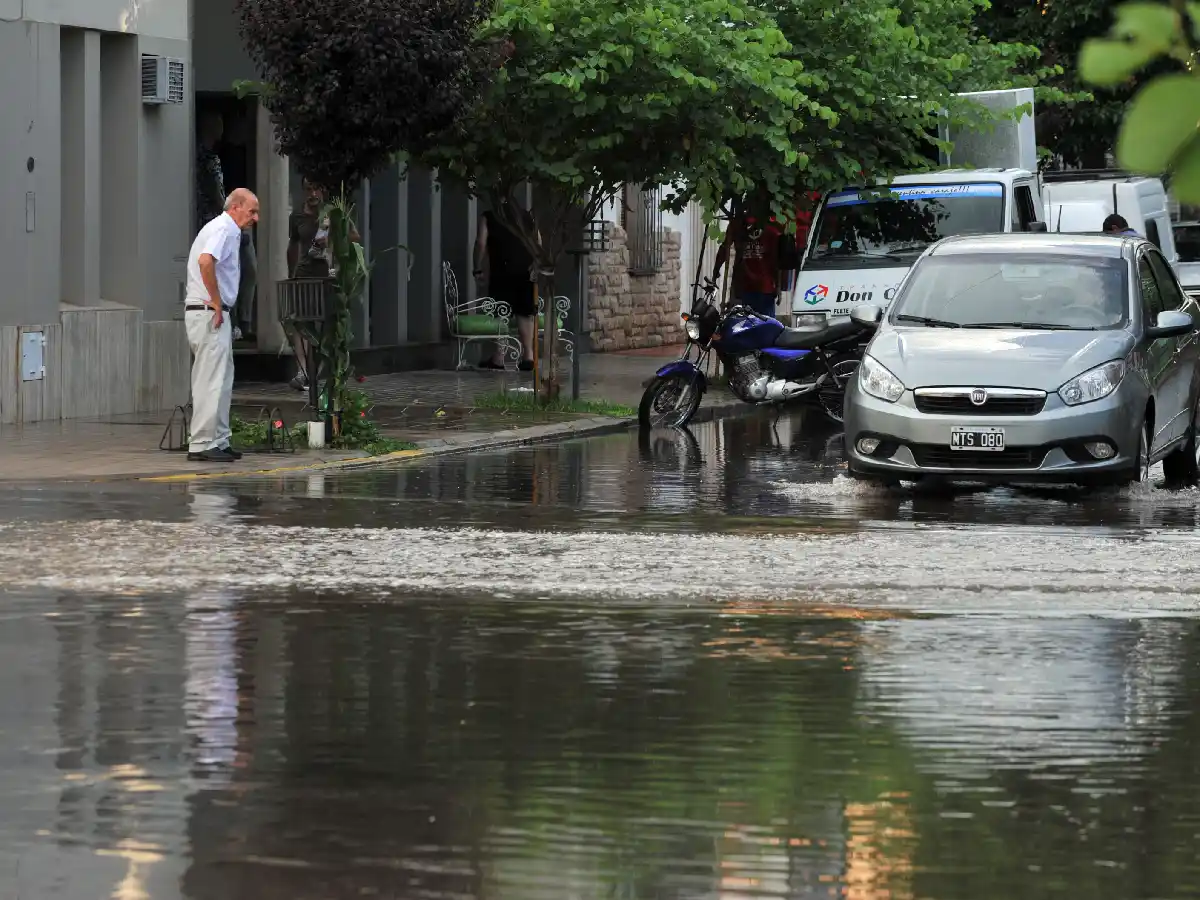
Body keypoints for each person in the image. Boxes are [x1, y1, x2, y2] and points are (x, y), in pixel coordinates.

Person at [184, 188, 260, 463]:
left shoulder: (225, 229)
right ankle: (204, 442)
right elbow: (206, 261)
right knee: (212, 378)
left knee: (222, 377)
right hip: (209, 311)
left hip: (212, 312)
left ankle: (218, 438)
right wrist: (216, 302)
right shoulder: (224, 229)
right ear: (236, 207)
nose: (255, 217)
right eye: (252, 211)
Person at [285, 179, 360, 391]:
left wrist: (334, 239)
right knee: (300, 321)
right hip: (304, 273)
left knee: (326, 320)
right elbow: (293, 244)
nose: (313, 193)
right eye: (308, 189)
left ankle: (322, 368)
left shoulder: (333, 214)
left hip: (328, 275)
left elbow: (354, 237)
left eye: (317, 188)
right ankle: (303, 371)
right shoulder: (297, 216)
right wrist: (291, 272)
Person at [474, 201, 537, 371]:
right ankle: (528, 356)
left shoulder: (489, 216)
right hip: (526, 270)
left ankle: (500, 357)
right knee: (525, 312)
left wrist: (477, 268)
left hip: (501, 269)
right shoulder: (525, 216)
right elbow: (537, 241)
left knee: (501, 312)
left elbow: (481, 242)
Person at [712, 195, 788, 318]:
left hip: (752, 287)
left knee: (747, 324)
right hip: (755, 287)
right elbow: (776, 262)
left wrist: (716, 270)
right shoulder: (769, 228)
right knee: (764, 326)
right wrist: (779, 286)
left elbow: (724, 249)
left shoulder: (738, 226)